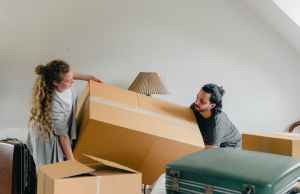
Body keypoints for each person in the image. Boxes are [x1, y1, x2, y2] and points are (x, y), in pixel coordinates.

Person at [27, 59, 102, 167]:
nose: (73, 82)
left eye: (72, 78)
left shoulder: (63, 80)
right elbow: (63, 135)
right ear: (55, 82)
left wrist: (89, 78)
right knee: (54, 168)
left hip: (59, 131)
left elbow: (70, 75)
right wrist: (71, 161)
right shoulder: (53, 103)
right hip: (46, 136)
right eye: (69, 81)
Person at [190, 83, 241, 148]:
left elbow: (211, 151)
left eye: (202, 102)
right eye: (197, 97)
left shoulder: (217, 125)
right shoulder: (196, 106)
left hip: (229, 146)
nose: (196, 102)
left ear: (212, 106)